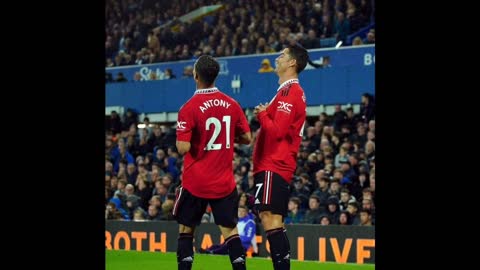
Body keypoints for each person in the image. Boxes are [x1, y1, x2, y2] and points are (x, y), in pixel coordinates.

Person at [174, 55, 252, 270]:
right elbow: (247, 138)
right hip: (223, 182)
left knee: (186, 230)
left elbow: (183, 148)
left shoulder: (188, 108)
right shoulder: (232, 104)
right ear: (215, 76)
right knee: (230, 231)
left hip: (195, 181)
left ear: (196, 76)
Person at [252, 44, 308, 270]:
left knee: (270, 217)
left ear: (292, 63)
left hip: (274, 163)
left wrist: (263, 114)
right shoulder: (287, 91)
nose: (278, 58)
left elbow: (277, 132)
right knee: (270, 218)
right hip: (273, 164)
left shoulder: (289, 92)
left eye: (283, 55)